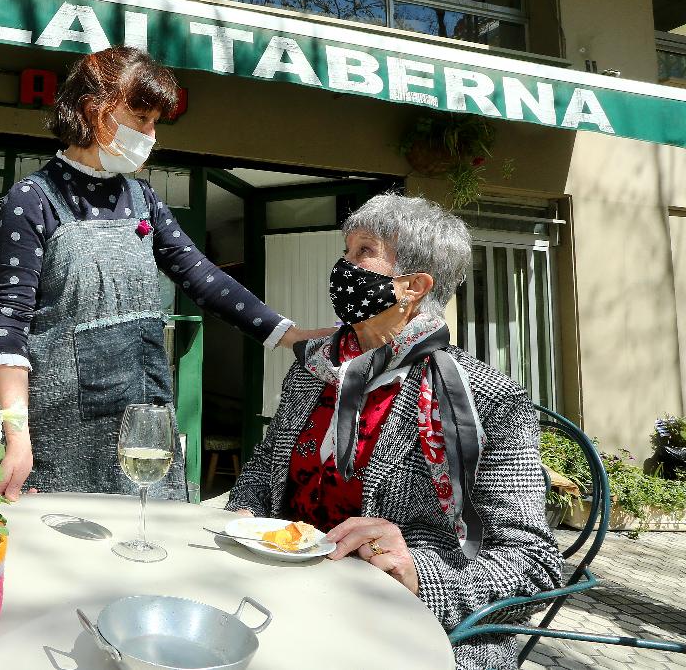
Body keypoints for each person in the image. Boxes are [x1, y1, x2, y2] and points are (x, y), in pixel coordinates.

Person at [226, 193, 563, 670]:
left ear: (414, 286)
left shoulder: (487, 399)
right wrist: (243, 515)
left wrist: (416, 574)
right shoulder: (312, 371)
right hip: (290, 597)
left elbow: (534, 564)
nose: (343, 267)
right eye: (346, 251)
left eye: (364, 251)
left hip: (404, 626)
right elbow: (268, 466)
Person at [0, 46, 326, 502]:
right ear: (93, 110)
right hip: (62, 426)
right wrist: (17, 435)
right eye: (142, 118)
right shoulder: (32, 199)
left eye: (155, 122)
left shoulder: (143, 199)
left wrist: (289, 335)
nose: (151, 135)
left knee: (148, 532)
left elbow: (200, 276)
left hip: (143, 419)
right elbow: (10, 322)